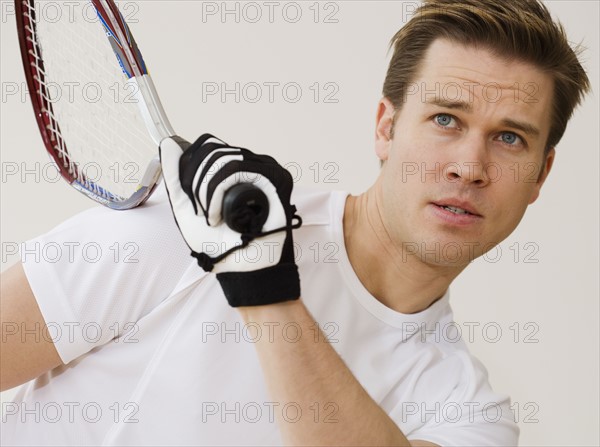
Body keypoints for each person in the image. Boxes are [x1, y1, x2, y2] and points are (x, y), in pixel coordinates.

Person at [1, 0, 590, 445]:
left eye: (510, 138)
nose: (469, 167)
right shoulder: (178, 234)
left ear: (541, 174)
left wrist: (263, 288)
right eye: (445, 119)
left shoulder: (470, 414)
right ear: (385, 127)